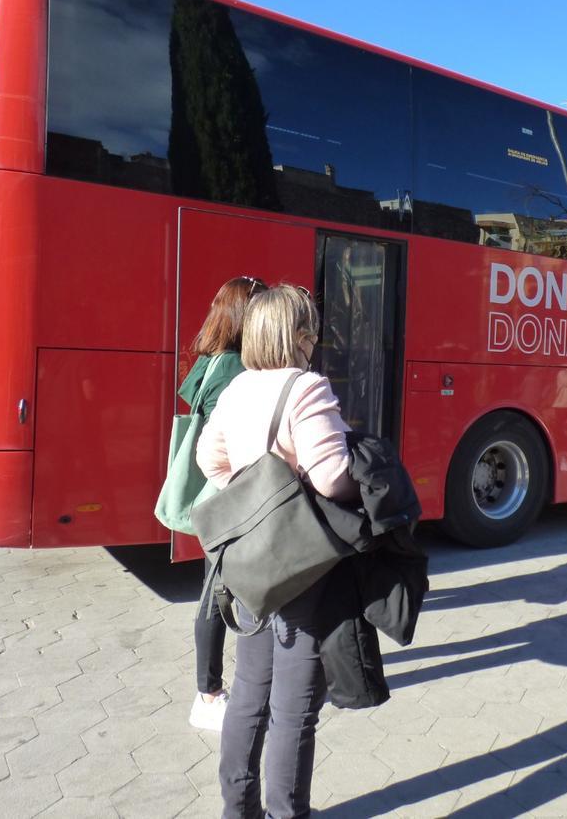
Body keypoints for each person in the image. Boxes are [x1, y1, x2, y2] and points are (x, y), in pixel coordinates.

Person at [197, 284, 355, 819]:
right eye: (311, 330)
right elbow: (332, 479)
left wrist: (251, 497)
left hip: (250, 567)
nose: (315, 341)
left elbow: (208, 462)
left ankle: (238, 810)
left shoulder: (236, 388)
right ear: (298, 336)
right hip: (300, 567)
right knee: (294, 710)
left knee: (247, 694)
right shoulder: (307, 388)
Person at [180, 276, 268, 732]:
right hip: (227, 491)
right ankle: (208, 694)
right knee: (215, 592)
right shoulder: (236, 369)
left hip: (208, 492)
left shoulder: (208, 361)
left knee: (215, 586)